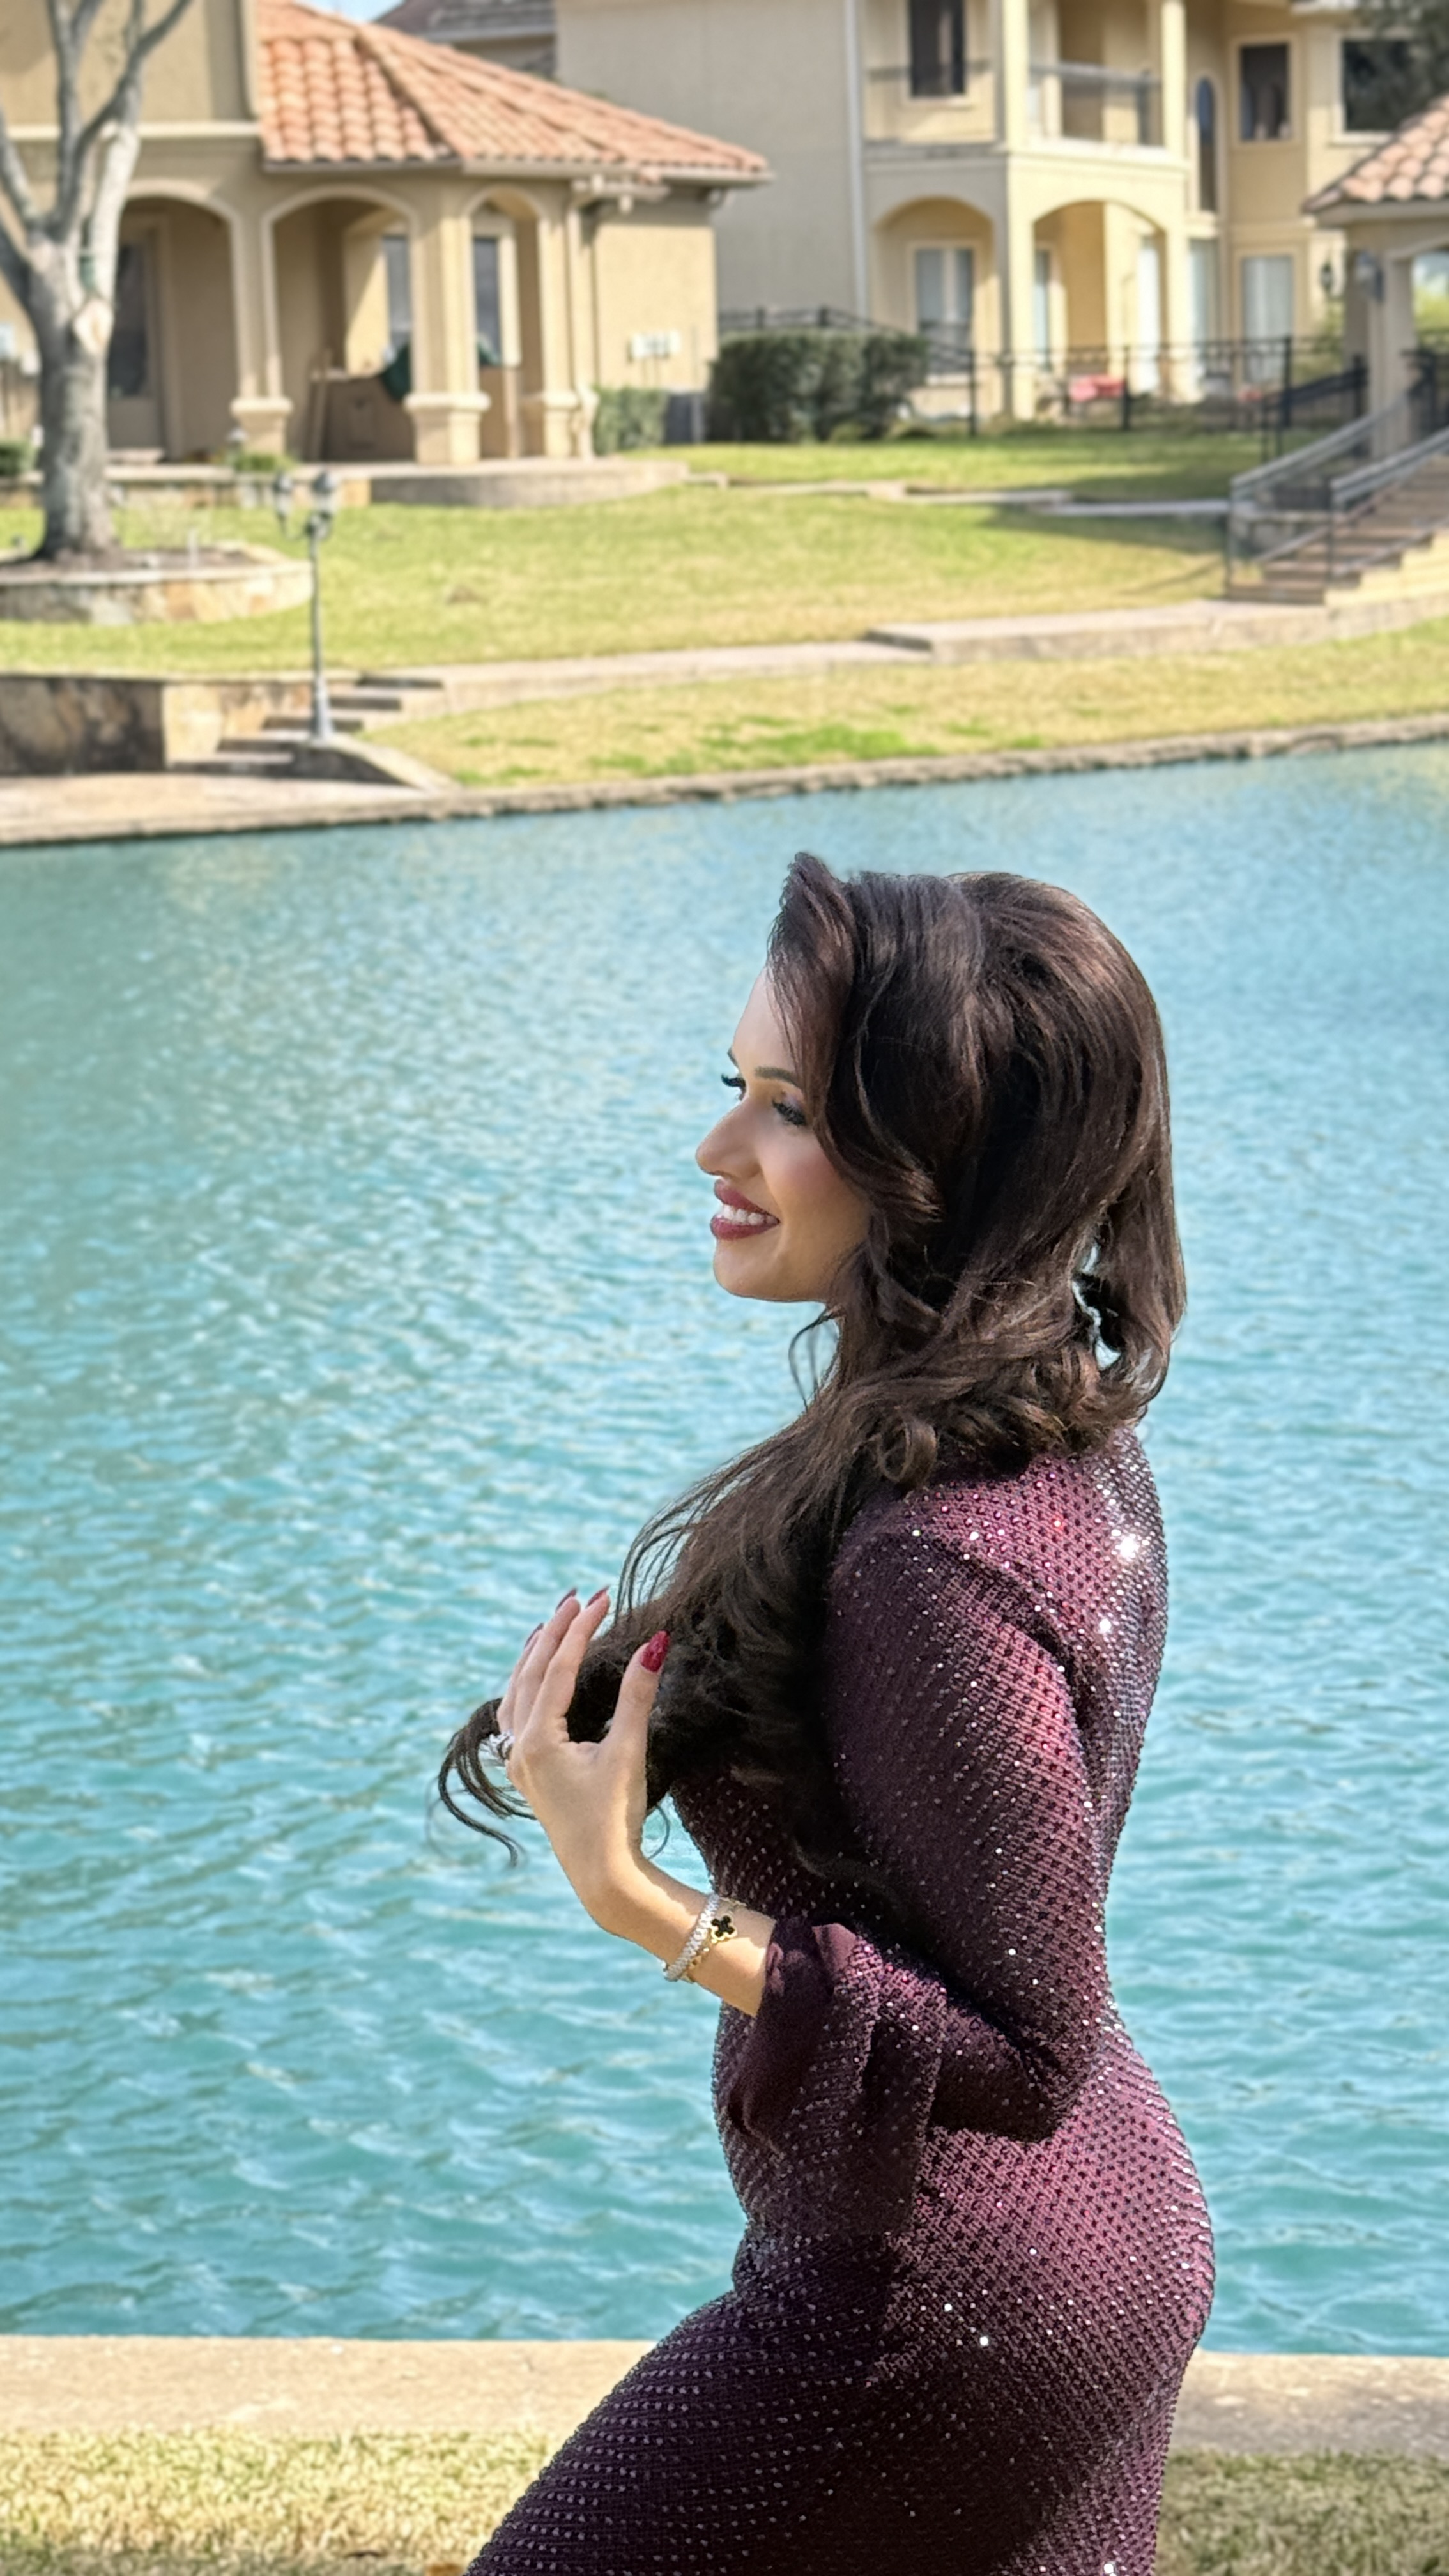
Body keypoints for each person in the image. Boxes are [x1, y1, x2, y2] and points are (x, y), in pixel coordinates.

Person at [440, 855, 1215, 2576]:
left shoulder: (931, 1552)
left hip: (953, 2295)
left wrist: (643, 1902)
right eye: (736, 1084)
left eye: (787, 1110)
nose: (715, 1148)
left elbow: (1023, 2046)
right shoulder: (1045, 1438)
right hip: (1088, 2235)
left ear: (941, 1158)